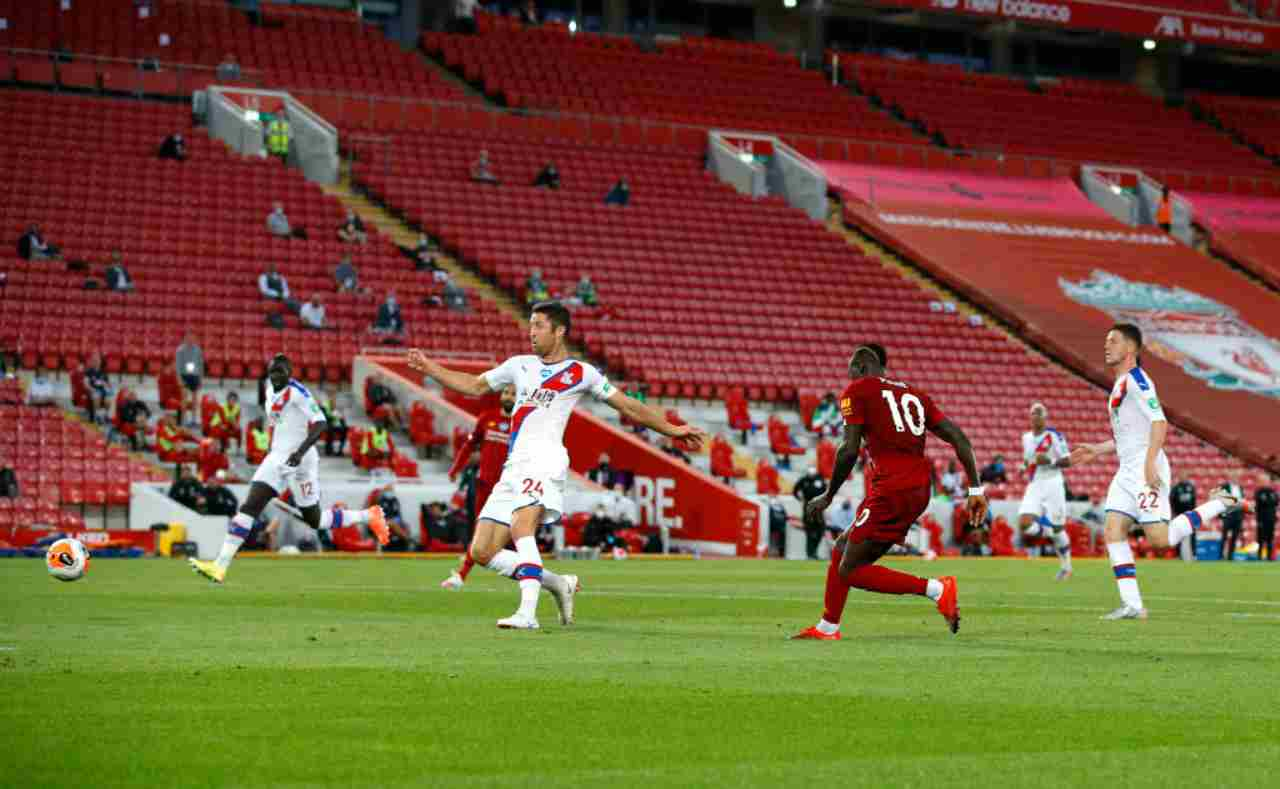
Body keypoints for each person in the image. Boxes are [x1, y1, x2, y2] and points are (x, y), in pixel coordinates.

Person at [408, 301, 706, 628]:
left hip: (545, 460)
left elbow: (628, 407)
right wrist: (430, 367)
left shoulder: (582, 372)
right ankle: (558, 584)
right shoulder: (519, 366)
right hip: (515, 465)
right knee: (482, 551)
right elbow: (475, 385)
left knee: (522, 527)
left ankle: (527, 613)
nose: (531, 332)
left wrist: (673, 430)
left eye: (538, 326)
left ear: (559, 330)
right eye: (530, 325)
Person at [791, 343, 983, 641]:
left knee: (851, 570)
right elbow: (958, 437)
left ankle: (937, 589)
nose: (850, 378)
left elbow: (848, 450)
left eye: (851, 372)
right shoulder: (916, 396)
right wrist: (975, 488)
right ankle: (828, 627)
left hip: (892, 488)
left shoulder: (857, 391)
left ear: (861, 367)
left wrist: (828, 495)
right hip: (919, 487)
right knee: (843, 548)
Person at [1067, 323, 1245, 619]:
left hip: (1144, 467)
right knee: (1113, 532)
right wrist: (1098, 450)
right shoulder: (1121, 382)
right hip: (1127, 469)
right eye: (1105, 340)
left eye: (1113, 341)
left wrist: (1149, 464)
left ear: (1131, 348)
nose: (1106, 345)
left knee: (1160, 540)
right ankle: (1133, 605)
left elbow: (1159, 422)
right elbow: (1130, 434)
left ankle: (1220, 502)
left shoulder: (1138, 380)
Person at [189, 354, 388, 584]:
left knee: (313, 519)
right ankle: (219, 566)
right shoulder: (268, 387)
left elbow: (321, 422)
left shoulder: (299, 393)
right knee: (252, 505)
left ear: (290, 373)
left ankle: (369, 515)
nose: (275, 377)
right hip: (278, 457)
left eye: (280, 373)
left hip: (301, 459)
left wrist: (299, 453)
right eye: (272, 372)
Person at [441, 385, 517, 589]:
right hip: (484, 485)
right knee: (479, 531)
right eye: (506, 392)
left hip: (510, 489)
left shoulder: (522, 424)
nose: (508, 397)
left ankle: (531, 576)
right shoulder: (487, 418)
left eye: (513, 394)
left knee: (516, 534)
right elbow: (470, 445)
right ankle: (461, 576)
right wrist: (455, 468)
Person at [1016, 403, 1073, 580]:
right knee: (1024, 523)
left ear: (1045, 417)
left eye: (1039, 414)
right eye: (1033, 414)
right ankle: (1046, 532)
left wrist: (1049, 461)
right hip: (1035, 484)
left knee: (1058, 529)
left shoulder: (1054, 436)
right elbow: (1029, 459)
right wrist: (1023, 466)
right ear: (1030, 417)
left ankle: (1066, 566)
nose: (1036, 417)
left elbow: (1068, 461)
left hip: (1053, 483)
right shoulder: (1025, 438)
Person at [793, 466, 828, 560]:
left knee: (821, 530)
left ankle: (814, 552)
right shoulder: (804, 480)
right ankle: (810, 554)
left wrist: (824, 501)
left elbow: (827, 491)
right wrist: (800, 499)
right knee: (809, 531)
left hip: (819, 508)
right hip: (808, 507)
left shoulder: (820, 479)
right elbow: (795, 490)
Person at [1219, 475, 1246, 561]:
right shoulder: (1225, 487)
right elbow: (1221, 500)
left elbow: (1242, 501)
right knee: (1224, 536)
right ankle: (1221, 555)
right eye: (1234, 477)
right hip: (1228, 514)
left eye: (1236, 477)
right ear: (1230, 478)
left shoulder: (1240, 488)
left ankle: (1230, 556)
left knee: (1234, 536)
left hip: (1238, 515)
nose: (1235, 479)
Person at [1171, 477, 1198, 559]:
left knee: (1192, 534)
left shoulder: (1190, 487)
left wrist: (1193, 511)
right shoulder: (1176, 488)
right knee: (1178, 534)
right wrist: (1174, 513)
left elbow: (1194, 500)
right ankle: (1178, 554)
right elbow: (1172, 500)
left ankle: (1193, 554)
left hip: (1190, 514)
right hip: (1179, 515)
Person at [82, 352, 112, 424]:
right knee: (97, 397)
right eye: (94, 360)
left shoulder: (104, 372)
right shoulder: (88, 371)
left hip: (103, 391)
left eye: (97, 360)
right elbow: (85, 383)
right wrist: (91, 389)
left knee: (108, 400)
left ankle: (104, 416)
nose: (96, 362)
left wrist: (106, 386)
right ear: (92, 361)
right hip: (93, 391)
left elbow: (108, 384)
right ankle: (97, 417)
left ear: (100, 361)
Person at [319, 390, 348, 457]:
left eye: (334, 397)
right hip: (327, 424)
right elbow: (324, 417)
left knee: (345, 430)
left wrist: (341, 419)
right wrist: (333, 416)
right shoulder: (324, 405)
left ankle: (340, 450)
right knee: (330, 430)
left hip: (336, 425)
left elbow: (340, 416)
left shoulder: (335, 405)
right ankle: (329, 450)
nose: (333, 398)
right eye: (331, 396)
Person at [1257, 473, 1277, 561]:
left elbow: (1275, 502)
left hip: (1271, 519)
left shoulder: (1273, 492)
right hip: (1262, 519)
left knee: (1270, 539)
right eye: (1264, 481)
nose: (1266, 482)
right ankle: (1259, 556)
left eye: (1267, 481)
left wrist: (1268, 501)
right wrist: (1269, 501)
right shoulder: (1259, 492)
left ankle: (1269, 557)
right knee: (1261, 539)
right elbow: (1263, 503)